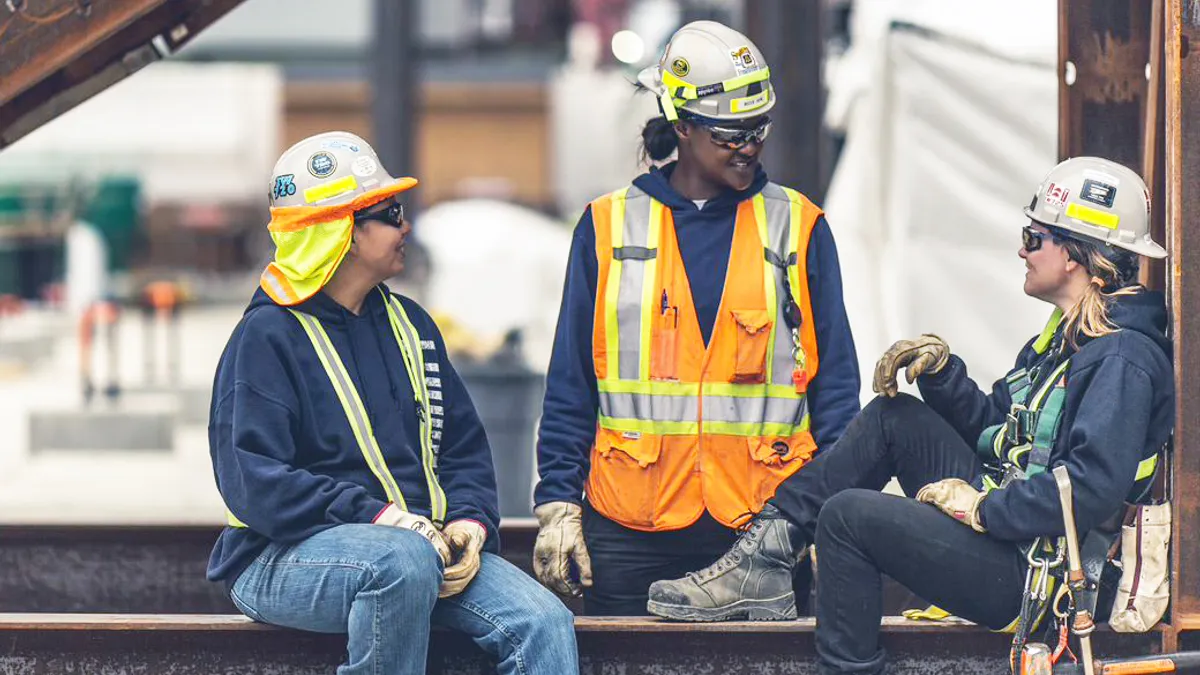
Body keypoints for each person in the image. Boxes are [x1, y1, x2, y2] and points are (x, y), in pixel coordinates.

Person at [646, 157, 1174, 674]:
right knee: (891, 419)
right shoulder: (1071, 339)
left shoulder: (1121, 359)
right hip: (1024, 533)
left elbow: (1089, 488)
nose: (1022, 249)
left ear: (1077, 254)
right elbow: (1005, 433)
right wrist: (942, 377)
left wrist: (985, 509)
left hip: (1042, 574)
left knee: (848, 518)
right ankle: (764, 557)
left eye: (1034, 238)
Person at [206, 131, 578, 675]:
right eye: (391, 212)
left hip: (421, 554)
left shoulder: (412, 326)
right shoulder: (267, 338)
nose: (407, 227)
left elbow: (463, 448)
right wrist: (388, 522)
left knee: (543, 622)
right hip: (277, 560)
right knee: (397, 563)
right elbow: (255, 482)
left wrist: (470, 524)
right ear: (344, 231)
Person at [532, 20, 861, 616]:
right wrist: (558, 503)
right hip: (633, 524)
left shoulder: (799, 226)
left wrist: (833, 510)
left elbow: (834, 387)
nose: (749, 145)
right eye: (730, 132)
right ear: (682, 125)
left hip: (767, 527)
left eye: (758, 128)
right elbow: (571, 385)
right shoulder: (606, 228)